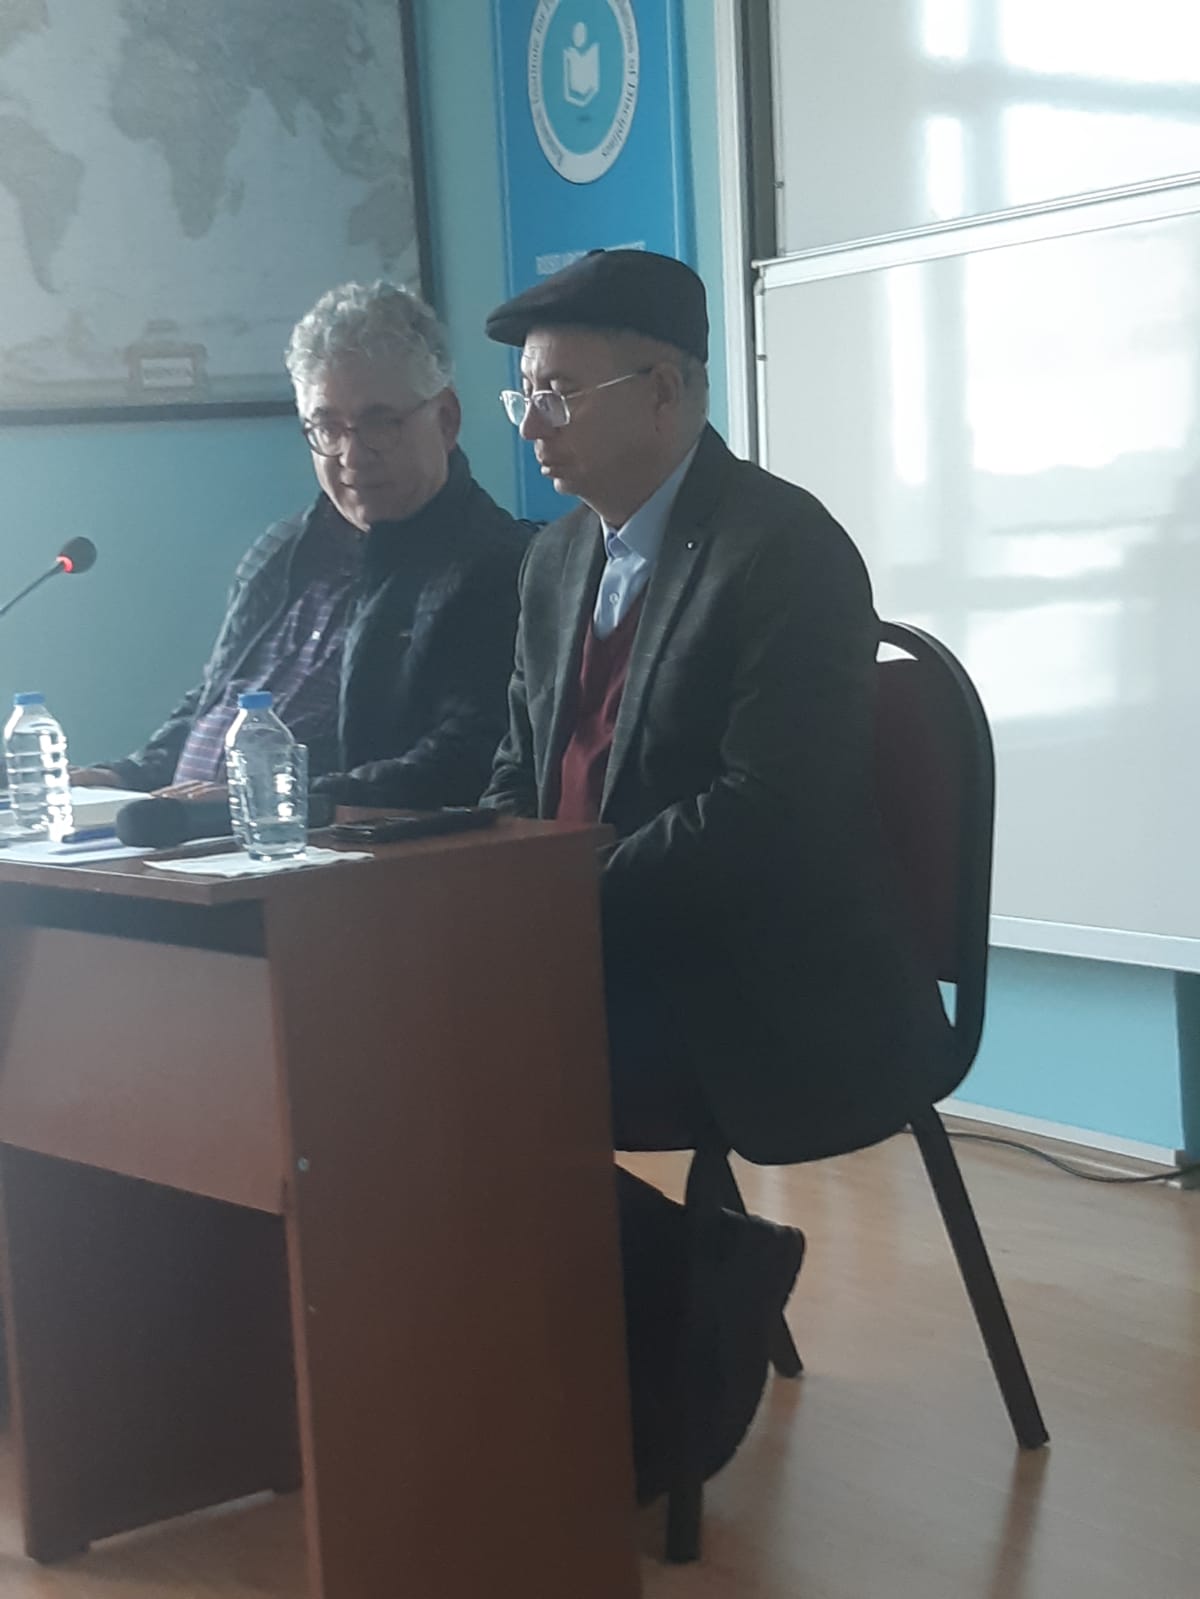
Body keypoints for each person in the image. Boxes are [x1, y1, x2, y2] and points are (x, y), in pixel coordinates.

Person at [480, 250, 954, 1499]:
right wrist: (478, 891)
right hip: (588, 949)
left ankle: (653, 1352)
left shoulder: (782, 550)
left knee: (452, 1073)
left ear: (667, 390)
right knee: (376, 1045)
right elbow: (517, 772)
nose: (532, 424)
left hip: (755, 979)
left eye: (559, 393)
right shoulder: (553, 562)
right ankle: (563, 1361)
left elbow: (770, 816)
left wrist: (562, 906)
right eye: (524, 394)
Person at [74, 281, 530, 808]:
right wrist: (125, 777)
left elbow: (462, 761)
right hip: (184, 832)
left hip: (321, 846)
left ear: (446, 419)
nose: (352, 456)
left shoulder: (497, 568)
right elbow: (213, 701)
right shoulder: (282, 549)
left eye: (380, 423)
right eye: (328, 428)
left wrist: (267, 800)